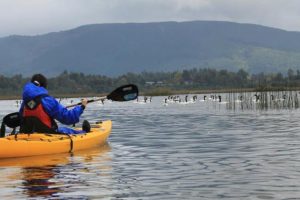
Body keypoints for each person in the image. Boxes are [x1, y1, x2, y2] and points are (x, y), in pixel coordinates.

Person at [19, 74, 90, 134]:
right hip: (47, 134)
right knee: (64, 130)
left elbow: (20, 118)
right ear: (43, 86)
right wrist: (82, 107)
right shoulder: (48, 100)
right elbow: (68, 118)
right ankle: (84, 132)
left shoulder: (25, 102)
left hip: (27, 134)